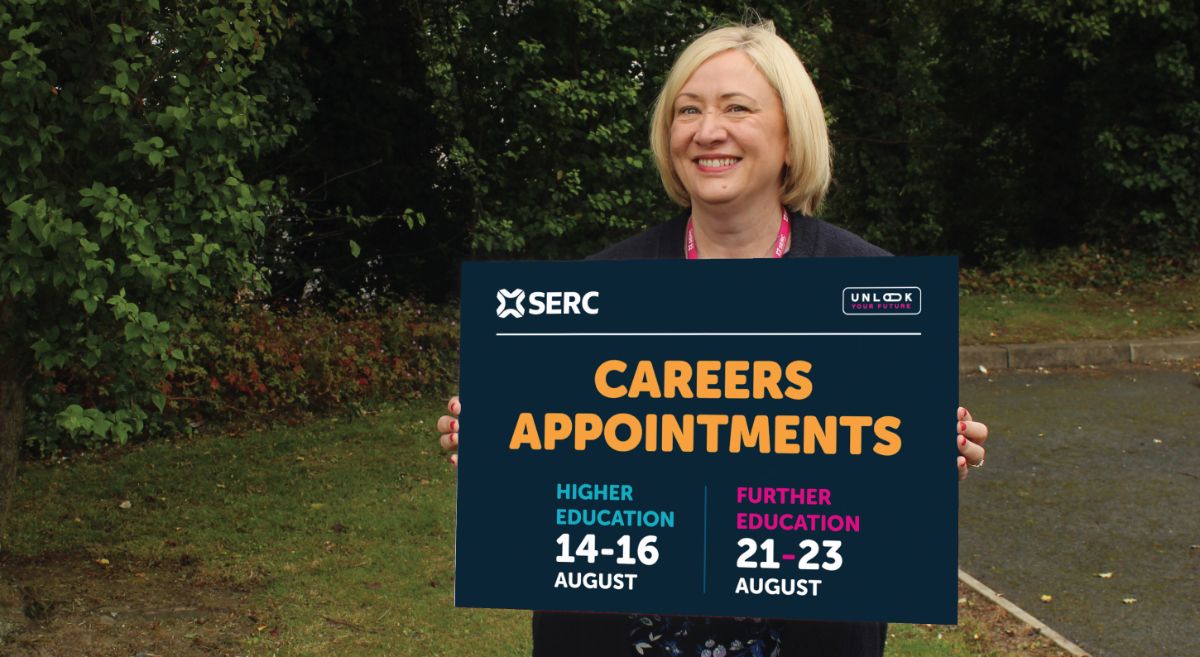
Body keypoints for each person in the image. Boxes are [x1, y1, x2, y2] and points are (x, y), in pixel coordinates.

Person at [436, 20, 989, 657]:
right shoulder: (599, 290)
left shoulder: (875, 290)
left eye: (737, 108)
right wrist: (495, 442)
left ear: (790, 135)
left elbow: (878, 478)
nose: (707, 131)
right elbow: (551, 460)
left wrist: (928, 451)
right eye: (687, 110)